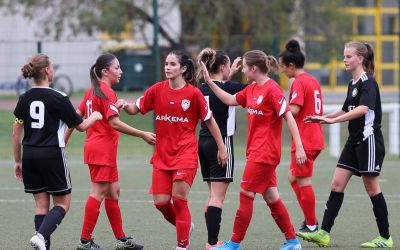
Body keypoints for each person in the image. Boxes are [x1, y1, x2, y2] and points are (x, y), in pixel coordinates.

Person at [122, 50, 228, 250]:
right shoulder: (156, 90)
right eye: (166, 64)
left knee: (179, 200)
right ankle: (186, 227)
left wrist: (221, 148)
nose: (168, 68)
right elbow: (135, 108)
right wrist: (122, 104)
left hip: (185, 154)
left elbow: (210, 121)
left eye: (172, 64)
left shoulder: (194, 94)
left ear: (183, 69)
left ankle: (182, 246)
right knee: (161, 203)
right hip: (162, 155)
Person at [200, 50, 306, 250]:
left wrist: (299, 147)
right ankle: (292, 241)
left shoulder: (272, 89)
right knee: (271, 197)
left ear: (254, 68)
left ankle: (233, 244)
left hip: (265, 153)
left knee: (246, 193)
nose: (243, 71)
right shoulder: (252, 89)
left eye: (246, 67)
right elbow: (229, 100)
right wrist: (211, 83)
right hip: (256, 152)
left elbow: (289, 117)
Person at [299, 42, 394, 248]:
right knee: (336, 184)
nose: (345, 59)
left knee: (372, 187)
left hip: (368, 141)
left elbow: (362, 109)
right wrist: (323, 117)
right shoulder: (352, 84)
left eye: (349, 56)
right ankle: (324, 233)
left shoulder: (368, 82)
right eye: (344, 56)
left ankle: (385, 238)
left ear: (360, 58)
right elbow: (345, 110)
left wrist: (333, 121)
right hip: (353, 142)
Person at [12, 54, 103, 250]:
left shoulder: (24, 99)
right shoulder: (59, 98)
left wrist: (18, 161)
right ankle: (40, 236)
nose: (53, 70)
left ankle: (42, 242)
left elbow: (16, 133)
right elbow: (81, 126)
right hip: (52, 154)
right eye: (52, 67)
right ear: (46, 71)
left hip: (30, 155)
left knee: (41, 206)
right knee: (63, 204)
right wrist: (95, 115)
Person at [68, 53, 156, 250]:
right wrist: (142, 133)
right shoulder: (106, 91)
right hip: (101, 149)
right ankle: (85, 241)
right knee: (98, 192)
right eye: (117, 68)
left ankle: (121, 240)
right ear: (105, 71)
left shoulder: (94, 91)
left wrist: (63, 140)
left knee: (113, 193)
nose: (121, 71)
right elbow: (114, 123)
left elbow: (76, 116)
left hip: (99, 149)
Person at [196, 48, 247, 250]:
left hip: (203, 142)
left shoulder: (201, 89)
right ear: (223, 67)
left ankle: (211, 241)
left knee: (211, 195)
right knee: (218, 197)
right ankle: (212, 243)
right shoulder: (231, 87)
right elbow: (231, 90)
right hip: (221, 144)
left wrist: (230, 74)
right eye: (228, 66)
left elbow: (218, 87)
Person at [279, 39, 325, 234]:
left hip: (305, 139)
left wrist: (276, 107)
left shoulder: (298, 82)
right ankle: (310, 220)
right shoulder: (312, 80)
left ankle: (312, 225)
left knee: (303, 181)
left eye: (283, 67)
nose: (281, 71)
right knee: (293, 177)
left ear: (291, 65)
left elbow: (295, 110)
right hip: (314, 137)